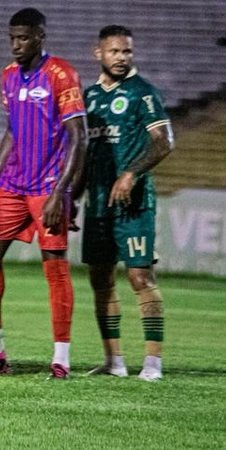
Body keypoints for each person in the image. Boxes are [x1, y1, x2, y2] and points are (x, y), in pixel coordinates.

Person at [0, 8, 87, 379]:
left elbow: (79, 137)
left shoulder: (60, 74)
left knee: (54, 267)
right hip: (11, 185)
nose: (16, 45)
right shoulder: (7, 76)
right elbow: (11, 131)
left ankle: (61, 360)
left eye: (23, 38)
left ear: (40, 37)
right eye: (12, 38)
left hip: (47, 187)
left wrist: (62, 194)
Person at [81, 25, 173, 381]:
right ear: (98, 53)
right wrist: (73, 196)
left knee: (139, 276)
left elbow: (164, 141)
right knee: (100, 279)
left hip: (134, 203)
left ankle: (153, 362)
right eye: (115, 51)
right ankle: (113, 361)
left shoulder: (143, 93)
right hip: (98, 203)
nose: (121, 58)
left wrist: (132, 173)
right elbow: (84, 152)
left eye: (127, 52)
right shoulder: (88, 97)